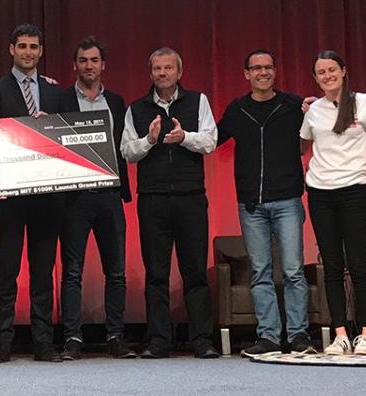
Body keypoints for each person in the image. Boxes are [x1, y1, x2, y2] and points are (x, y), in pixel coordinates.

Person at [120, 47, 219, 359]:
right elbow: (127, 152)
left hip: (191, 198)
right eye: (157, 69)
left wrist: (184, 137)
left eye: (168, 68)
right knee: (156, 273)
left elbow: (210, 141)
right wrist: (149, 140)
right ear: (150, 73)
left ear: (179, 72)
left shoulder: (198, 101)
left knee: (195, 272)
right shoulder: (137, 108)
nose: (162, 73)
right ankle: (159, 340)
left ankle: (201, 340)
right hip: (153, 200)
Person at [216, 50, 312, 357]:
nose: (263, 72)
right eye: (256, 68)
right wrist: (182, 135)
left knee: (294, 270)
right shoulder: (238, 109)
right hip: (251, 205)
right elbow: (211, 138)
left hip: (287, 200)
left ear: (275, 71)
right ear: (246, 74)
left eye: (268, 67)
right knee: (260, 271)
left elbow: (317, 130)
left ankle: (298, 335)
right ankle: (269, 336)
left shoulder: (293, 105)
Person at [0, 23, 64, 363]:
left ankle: (43, 343)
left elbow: (66, 139)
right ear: (11, 49)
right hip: (10, 196)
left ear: (40, 51)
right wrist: (27, 128)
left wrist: (49, 126)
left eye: (34, 47)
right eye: (23, 46)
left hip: (48, 195)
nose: (28, 52)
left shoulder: (55, 92)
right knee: (6, 270)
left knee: (43, 272)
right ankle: (2, 343)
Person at [300, 51, 366, 356]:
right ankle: (339, 334)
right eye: (321, 72)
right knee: (332, 266)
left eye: (332, 70)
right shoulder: (314, 110)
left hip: (355, 191)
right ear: (316, 79)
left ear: (343, 71)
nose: (327, 76)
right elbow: (303, 143)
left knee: (358, 265)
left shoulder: (363, 103)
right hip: (320, 193)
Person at [58, 36, 134, 360]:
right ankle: (72, 338)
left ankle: (116, 336)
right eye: (83, 60)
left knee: (116, 271)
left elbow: (125, 145)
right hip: (74, 198)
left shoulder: (116, 102)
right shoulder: (61, 100)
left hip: (109, 196)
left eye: (94, 60)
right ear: (75, 65)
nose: (89, 66)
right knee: (72, 272)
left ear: (103, 65)